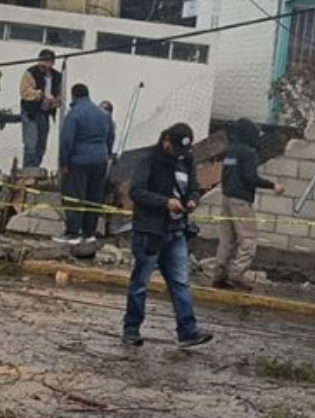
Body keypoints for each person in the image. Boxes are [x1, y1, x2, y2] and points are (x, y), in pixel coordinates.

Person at [122, 123, 213, 348]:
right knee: (141, 283)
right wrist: (165, 203)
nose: (178, 156)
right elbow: (137, 192)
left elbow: (194, 188)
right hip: (149, 232)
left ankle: (188, 331)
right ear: (165, 141)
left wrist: (192, 200)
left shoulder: (187, 161)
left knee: (181, 282)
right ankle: (131, 329)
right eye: (175, 149)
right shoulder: (148, 160)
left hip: (176, 231)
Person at [215, 118, 285, 291]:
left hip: (226, 198)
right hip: (240, 201)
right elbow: (250, 178)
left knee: (227, 239)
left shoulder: (230, 152)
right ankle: (237, 274)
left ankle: (220, 275)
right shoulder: (248, 153)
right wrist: (273, 185)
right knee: (248, 238)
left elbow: (223, 175)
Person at [54, 84, 113, 245]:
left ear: (74, 96)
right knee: (93, 197)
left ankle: (73, 233)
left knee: (75, 197)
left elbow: (66, 141)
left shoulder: (74, 114)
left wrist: (64, 162)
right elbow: (110, 137)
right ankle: (89, 233)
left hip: (79, 161)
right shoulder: (103, 114)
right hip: (100, 160)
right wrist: (106, 154)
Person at [19, 49, 63, 169]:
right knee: (31, 144)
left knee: (41, 145)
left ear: (52, 63)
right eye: (41, 60)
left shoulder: (57, 76)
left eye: (47, 61)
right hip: (30, 112)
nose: (43, 63)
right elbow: (25, 91)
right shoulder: (30, 72)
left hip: (45, 113)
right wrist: (42, 95)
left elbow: (60, 95)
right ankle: (27, 170)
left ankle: (34, 168)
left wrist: (55, 101)